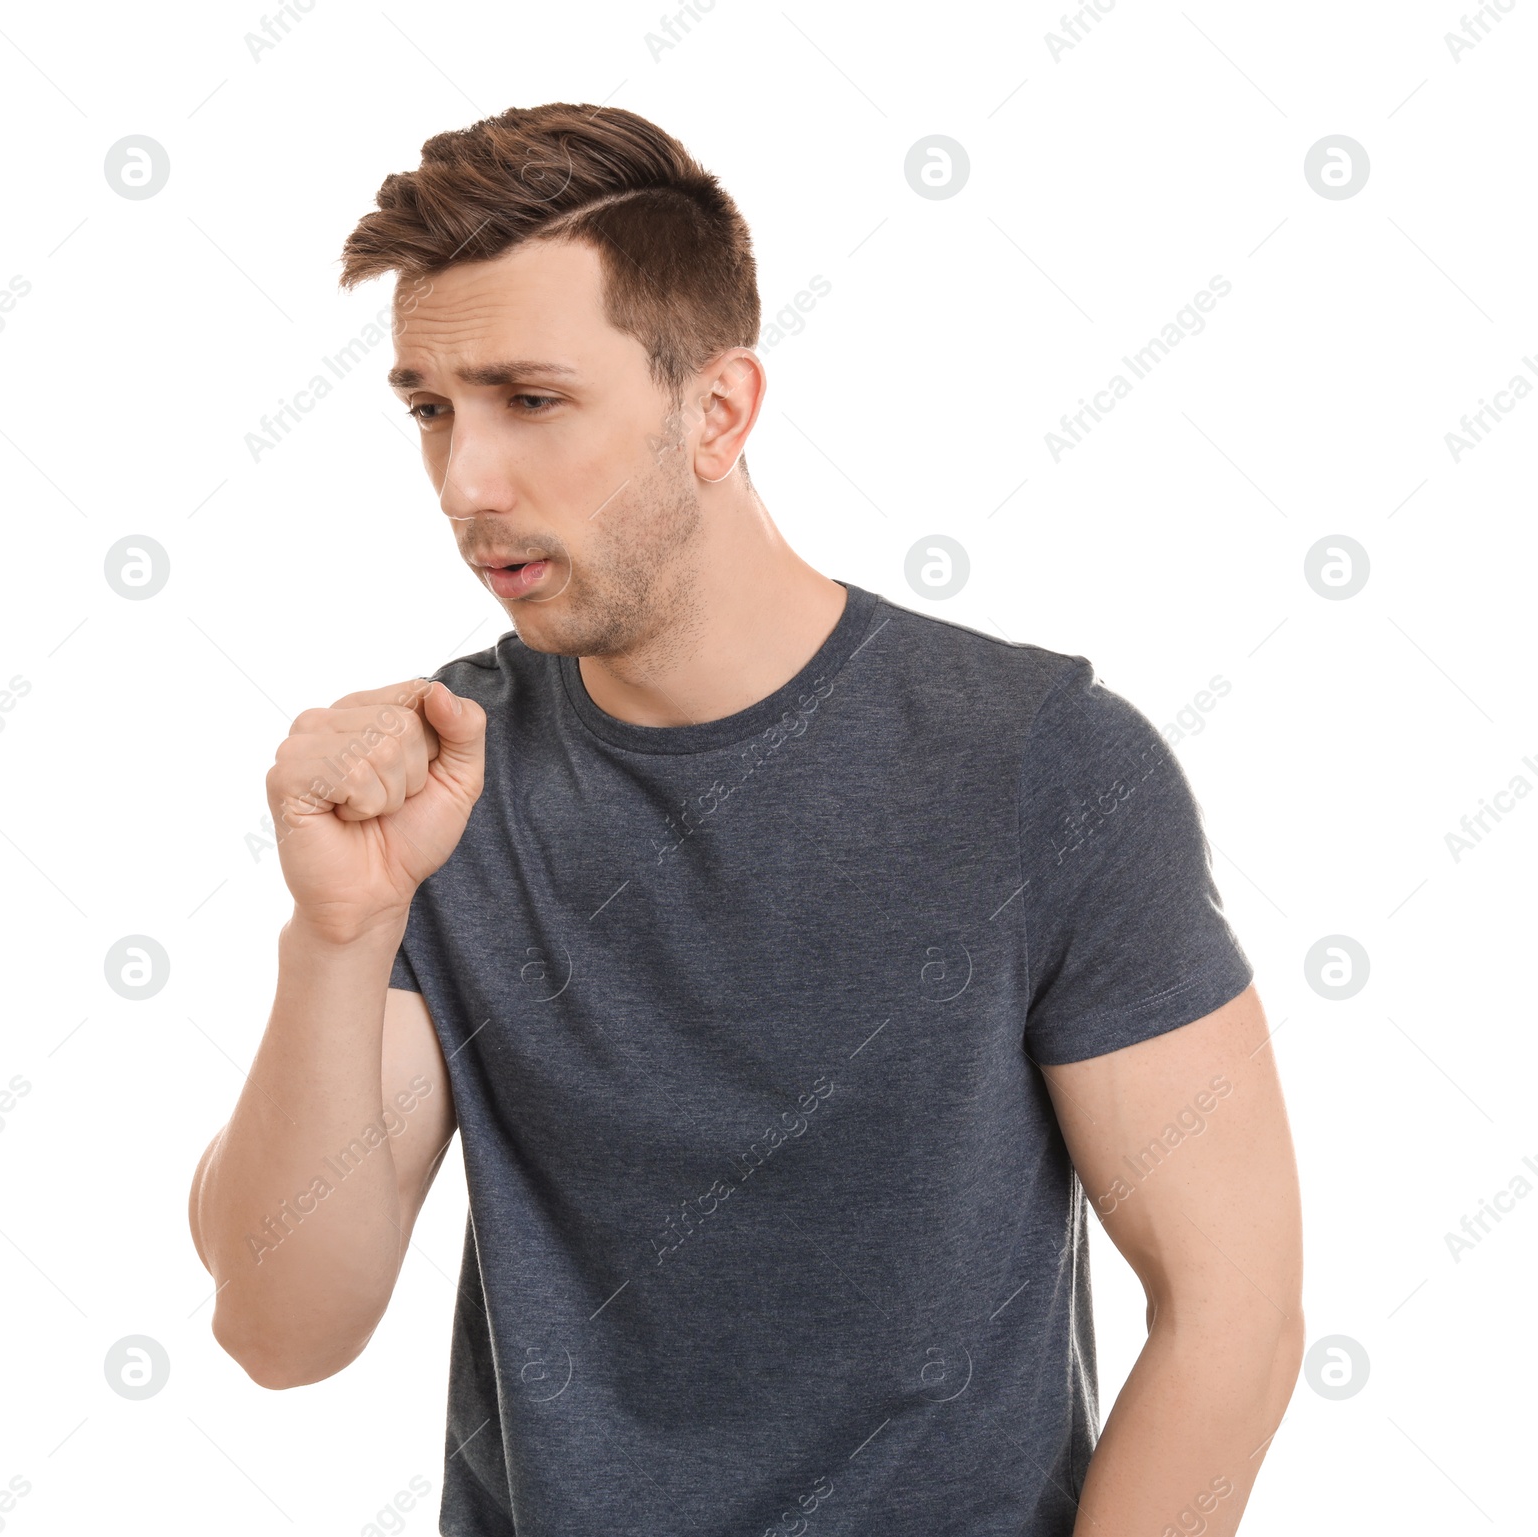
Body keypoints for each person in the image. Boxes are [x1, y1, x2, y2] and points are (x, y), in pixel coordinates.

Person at [188, 102, 1303, 1537]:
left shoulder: (1037, 762)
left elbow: (1236, 1307)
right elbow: (285, 1327)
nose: (467, 482)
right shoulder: (441, 782)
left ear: (717, 410)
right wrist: (339, 935)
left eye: (532, 399)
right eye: (428, 408)